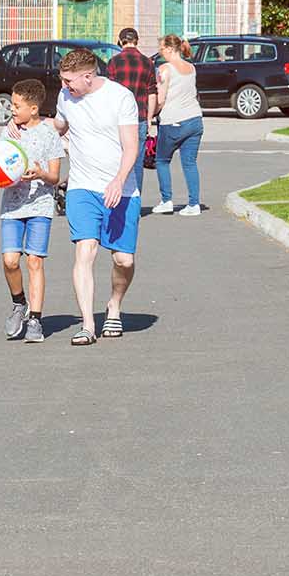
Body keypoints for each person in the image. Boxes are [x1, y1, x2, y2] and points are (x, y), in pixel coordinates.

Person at [53, 45, 140, 345]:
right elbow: (60, 126)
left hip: (121, 190)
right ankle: (88, 325)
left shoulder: (120, 97)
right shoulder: (65, 97)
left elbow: (131, 146)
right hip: (81, 187)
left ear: (88, 77)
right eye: (62, 81)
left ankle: (114, 305)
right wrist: (28, 125)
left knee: (124, 260)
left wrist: (118, 180)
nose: (64, 87)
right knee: (85, 250)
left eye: (69, 81)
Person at [0, 78, 65, 343]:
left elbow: (55, 178)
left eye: (17, 106)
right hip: (12, 206)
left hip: (40, 205)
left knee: (34, 261)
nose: (12, 110)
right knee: (10, 261)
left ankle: (35, 319)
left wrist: (40, 173)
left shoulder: (49, 135)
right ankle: (19, 304)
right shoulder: (10, 131)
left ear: (34, 108)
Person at [152, 34, 204, 216]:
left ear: (168, 49)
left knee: (162, 160)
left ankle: (166, 200)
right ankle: (194, 203)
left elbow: (161, 97)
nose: (160, 53)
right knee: (189, 163)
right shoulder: (191, 68)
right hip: (195, 119)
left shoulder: (165, 69)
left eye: (161, 50)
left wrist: (152, 113)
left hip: (173, 121)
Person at [105, 26, 157, 200]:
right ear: (137, 41)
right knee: (136, 162)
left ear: (120, 41)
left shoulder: (114, 62)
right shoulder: (148, 62)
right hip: (140, 117)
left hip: (117, 118)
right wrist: (150, 118)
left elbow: (109, 92)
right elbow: (152, 93)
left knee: (116, 159)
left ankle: (115, 196)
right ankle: (135, 200)